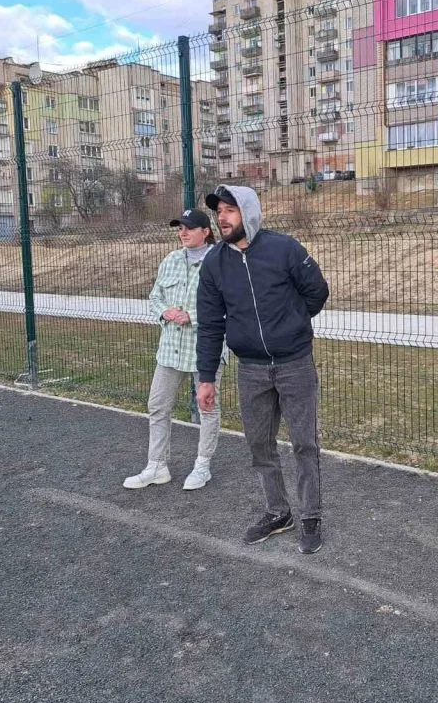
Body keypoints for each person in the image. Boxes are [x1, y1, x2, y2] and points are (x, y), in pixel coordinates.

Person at [195, 184, 330, 555]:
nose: (222, 218)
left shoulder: (284, 249)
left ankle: (311, 515)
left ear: (249, 212)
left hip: (294, 364)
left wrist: (291, 323)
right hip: (251, 368)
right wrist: (206, 378)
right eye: (219, 211)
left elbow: (317, 292)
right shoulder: (214, 263)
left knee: (304, 443)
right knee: (259, 445)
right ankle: (278, 512)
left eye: (230, 210)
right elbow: (210, 324)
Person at [124, 208, 225, 491]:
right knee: (157, 405)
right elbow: (155, 296)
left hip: (204, 348)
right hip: (170, 348)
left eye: (189, 228)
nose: (183, 233)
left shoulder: (220, 262)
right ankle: (157, 465)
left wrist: (192, 315)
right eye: (180, 228)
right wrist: (164, 311)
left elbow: (230, 305)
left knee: (207, 407)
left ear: (206, 231)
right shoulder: (170, 260)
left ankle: (202, 464)